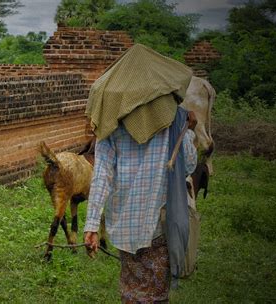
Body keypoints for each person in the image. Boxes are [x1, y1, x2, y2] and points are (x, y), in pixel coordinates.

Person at [83, 44, 198, 303]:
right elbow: (189, 165)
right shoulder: (175, 118)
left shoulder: (110, 121)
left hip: (124, 223)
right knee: (156, 295)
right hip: (159, 223)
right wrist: (188, 130)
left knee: (131, 291)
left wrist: (91, 224)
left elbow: (101, 174)